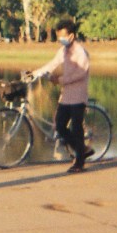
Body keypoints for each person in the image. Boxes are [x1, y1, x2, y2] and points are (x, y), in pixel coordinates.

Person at [25, 19, 92, 173]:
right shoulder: (63, 51)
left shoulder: (80, 52)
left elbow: (81, 73)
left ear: (71, 36)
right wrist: (35, 73)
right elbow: (52, 64)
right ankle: (81, 149)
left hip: (78, 96)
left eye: (62, 36)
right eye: (58, 36)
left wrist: (59, 80)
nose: (60, 39)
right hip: (66, 95)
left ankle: (79, 162)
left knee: (76, 128)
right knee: (60, 126)